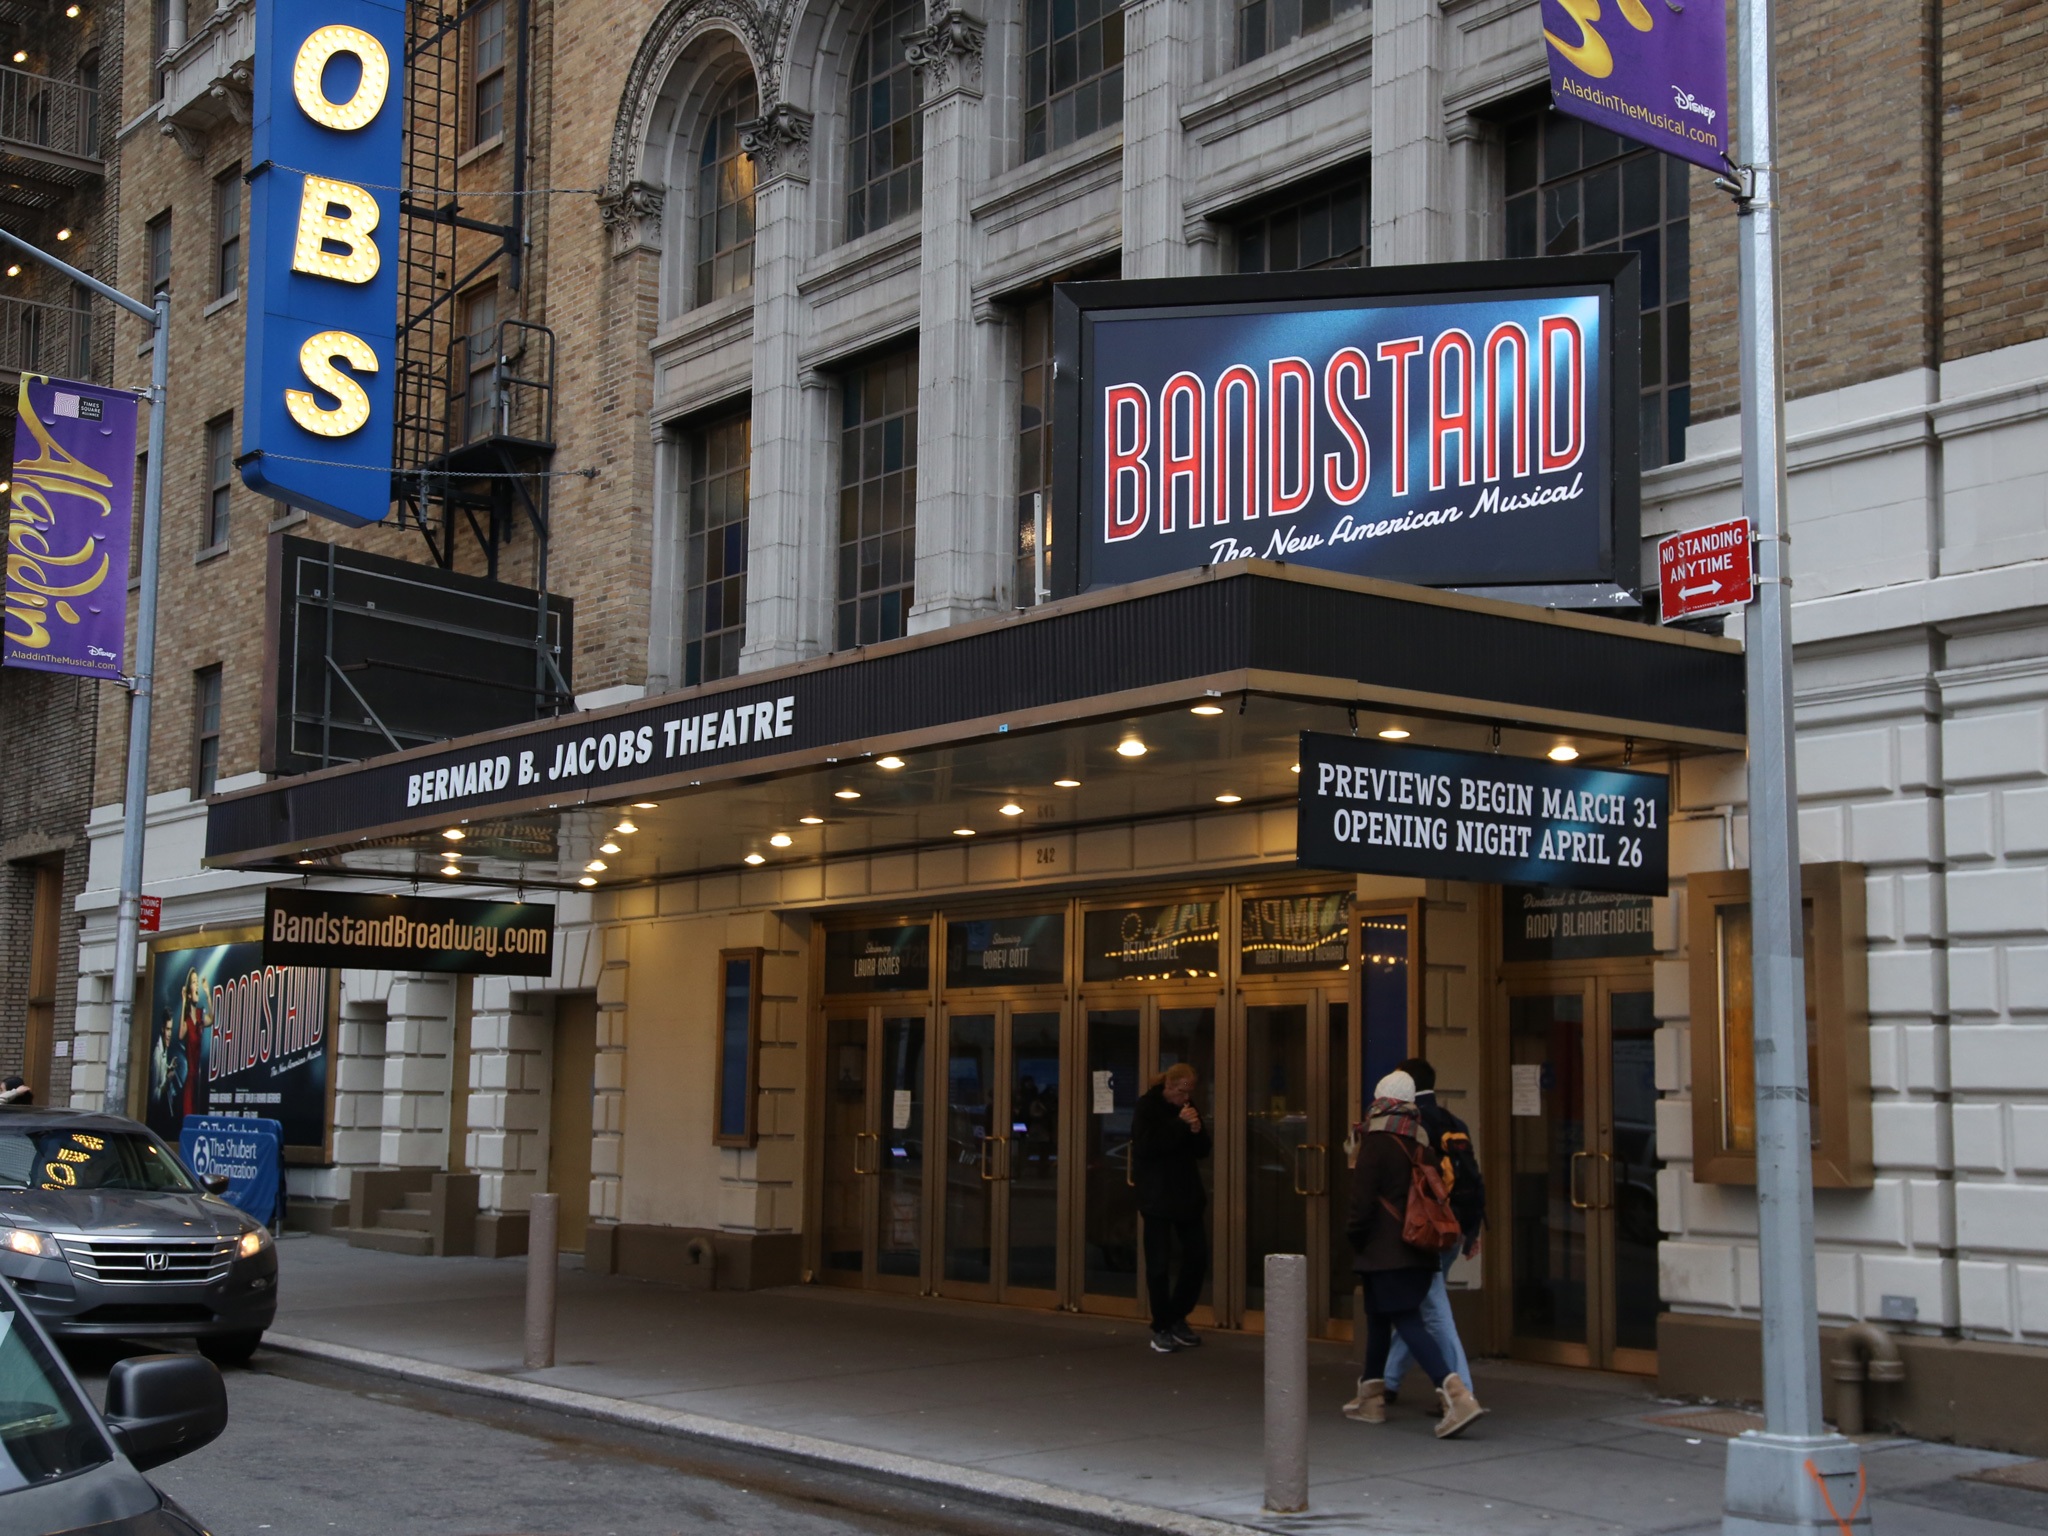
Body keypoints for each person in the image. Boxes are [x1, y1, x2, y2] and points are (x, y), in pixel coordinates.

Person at [1343, 1069, 1485, 1438]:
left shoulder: (1375, 1144)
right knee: (1378, 1319)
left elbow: (1360, 1208)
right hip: (1418, 1250)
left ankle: (1457, 1397)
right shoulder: (1419, 1145)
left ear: (1379, 1101)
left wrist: (1356, 1240)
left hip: (1384, 1254)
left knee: (1408, 1321)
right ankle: (1370, 1399)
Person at [1382, 1055, 1484, 1402]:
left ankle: (1461, 1393)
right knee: (1421, 1304)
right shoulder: (1455, 1122)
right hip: (1453, 1229)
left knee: (1435, 1312)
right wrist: (1473, 1231)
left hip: (1424, 1231)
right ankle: (1388, 1382)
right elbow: (1472, 1178)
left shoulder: (1413, 1125)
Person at [1131, 1061, 1211, 1353]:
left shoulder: (1188, 1108)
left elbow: (1202, 1149)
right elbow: (1146, 1146)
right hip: (1157, 1196)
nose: (1184, 1100)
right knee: (1159, 1264)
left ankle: (1178, 1314)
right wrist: (1179, 1125)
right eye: (1180, 1093)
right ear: (1168, 1087)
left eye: (1188, 1094)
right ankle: (1161, 1324)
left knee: (1197, 1256)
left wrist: (1195, 1128)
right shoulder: (1147, 1107)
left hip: (1186, 1194)